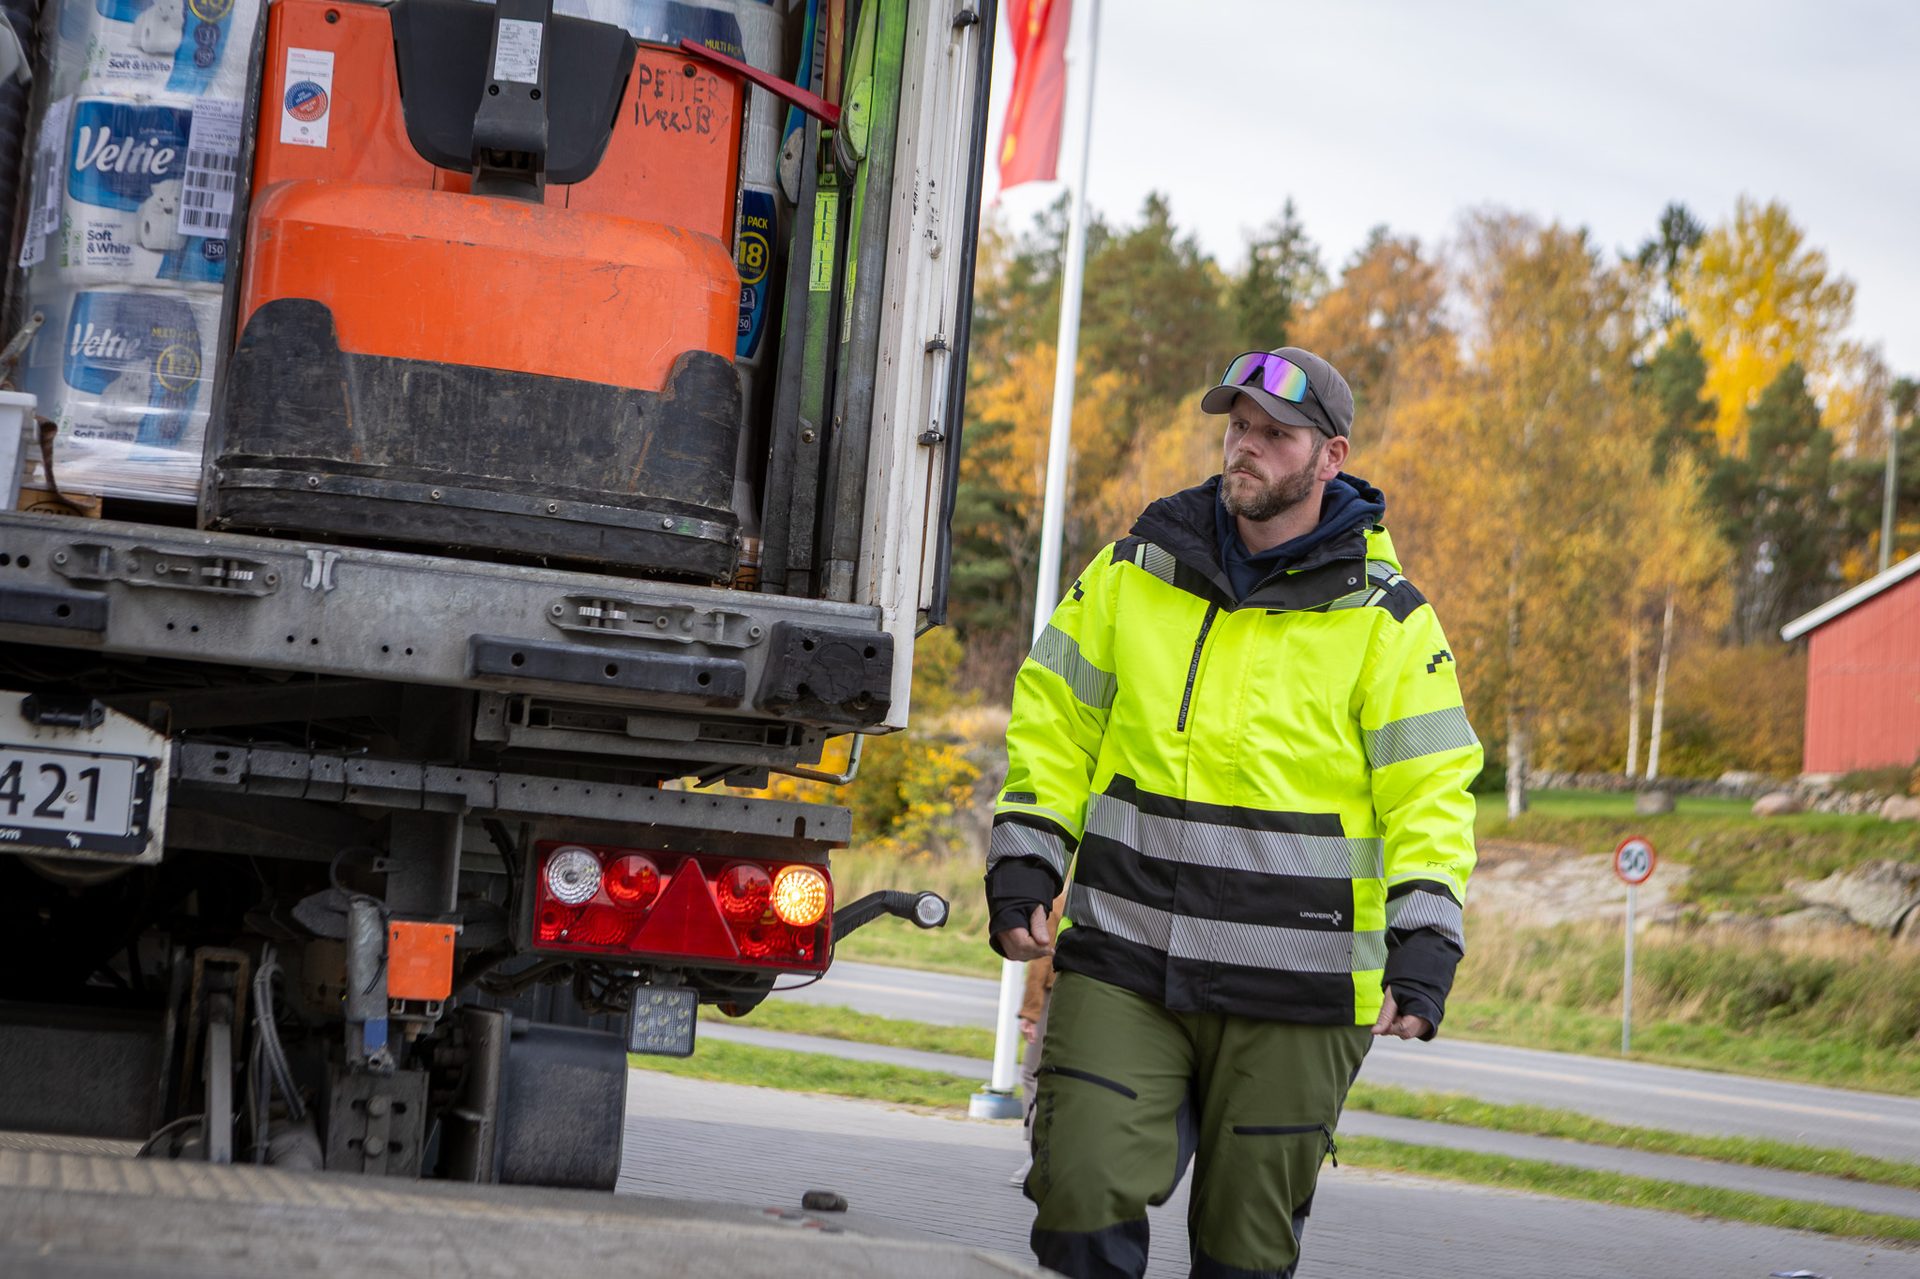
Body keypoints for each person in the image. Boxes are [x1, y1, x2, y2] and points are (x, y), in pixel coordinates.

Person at [985, 347, 1480, 1278]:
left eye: (1274, 434)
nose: (1244, 448)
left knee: (1246, 1251)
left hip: (1298, 995)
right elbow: (1054, 716)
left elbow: (1430, 792)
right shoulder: (1137, 569)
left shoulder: (1389, 620)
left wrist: (1427, 941)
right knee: (1080, 1186)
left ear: (1330, 457)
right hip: (1126, 960)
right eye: (1237, 426)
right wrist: (1026, 856)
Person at [1009, 892, 1065, 1188]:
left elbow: (1041, 954)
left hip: (1051, 991)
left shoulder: (1059, 896)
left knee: (1032, 1074)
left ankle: (1036, 1154)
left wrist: (1030, 1011)